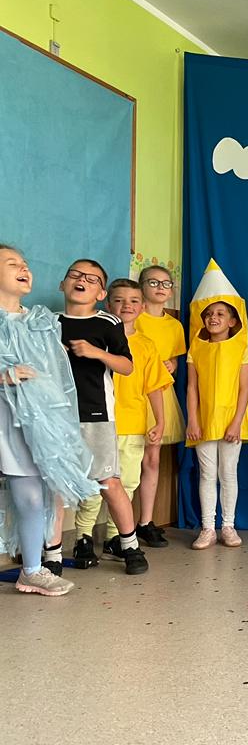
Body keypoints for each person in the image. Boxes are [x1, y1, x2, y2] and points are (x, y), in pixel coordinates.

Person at [0, 244, 99, 595]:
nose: (23, 268)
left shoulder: (40, 322)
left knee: (31, 498)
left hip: (27, 425)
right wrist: (4, 376)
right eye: (12, 263)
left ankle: (31, 570)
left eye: (25, 264)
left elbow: (56, 376)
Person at [56, 259, 148, 575]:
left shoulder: (107, 322)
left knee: (109, 482)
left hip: (96, 414)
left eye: (92, 278)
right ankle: (53, 554)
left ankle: (130, 546)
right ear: (63, 284)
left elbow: (127, 366)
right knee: (53, 487)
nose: (82, 280)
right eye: (75, 274)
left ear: (100, 293)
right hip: (55, 417)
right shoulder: (49, 322)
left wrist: (96, 352)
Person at [74, 279, 172, 563]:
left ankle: (116, 537)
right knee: (94, 484)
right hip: (98, 424)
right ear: (107, 304)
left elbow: (154, 387)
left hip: (133, 426)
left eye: (133, 301)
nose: (126, 306)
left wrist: (160, 421)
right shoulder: (96, 340)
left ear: (142, 307)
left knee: (127, 483)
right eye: (119, 300)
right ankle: (83, 537)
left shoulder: (146, 345)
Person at [185, 262, 248, 549]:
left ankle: (228, 525)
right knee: (206, 473)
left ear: (233, 321)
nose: (213, 317)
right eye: (209, 314)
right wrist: (193, 420)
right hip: (203, 419)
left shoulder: (242, 348)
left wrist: (236, 422)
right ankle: (207, 528)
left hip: (231, 420)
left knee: (228, 473)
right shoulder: (196, 348)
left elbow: (244, 389)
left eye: (220, 313)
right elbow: (191, 387)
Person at [134, 264, 187, 546]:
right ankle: (118, 526)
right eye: (153, 282)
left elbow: (174, 360)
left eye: (166, 283)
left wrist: (172, 365)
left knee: (152, 459)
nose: (160, 288)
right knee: (125, 460)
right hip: (133, 394)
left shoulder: (174, 325)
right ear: (142, 286)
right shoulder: (134, 317)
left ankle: (145, 521)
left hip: (160, 395)